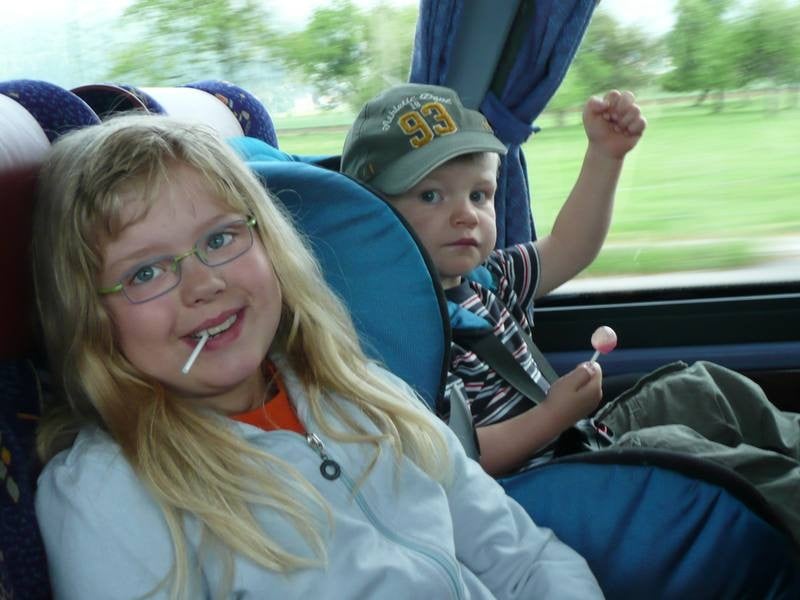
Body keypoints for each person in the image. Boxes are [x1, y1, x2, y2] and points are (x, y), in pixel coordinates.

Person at [31, 114, 603, 599]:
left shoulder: (366, 394)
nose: (203, 284)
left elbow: (527, 560)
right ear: (91, 316)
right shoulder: (110, 495)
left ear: (270, 245)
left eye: (221, 239)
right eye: (145, 273)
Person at [341, 83, 800, 546]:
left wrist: (605, 156)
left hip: (573, 439)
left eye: (479, 195)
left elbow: (569, 246)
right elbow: (453, 460)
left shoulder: (487, 278)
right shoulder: (397, 341)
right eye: (431, 196)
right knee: (695, 459)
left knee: (704, 390)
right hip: (538, 490)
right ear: (369, 216)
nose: (467, 215)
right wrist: (553, 415)